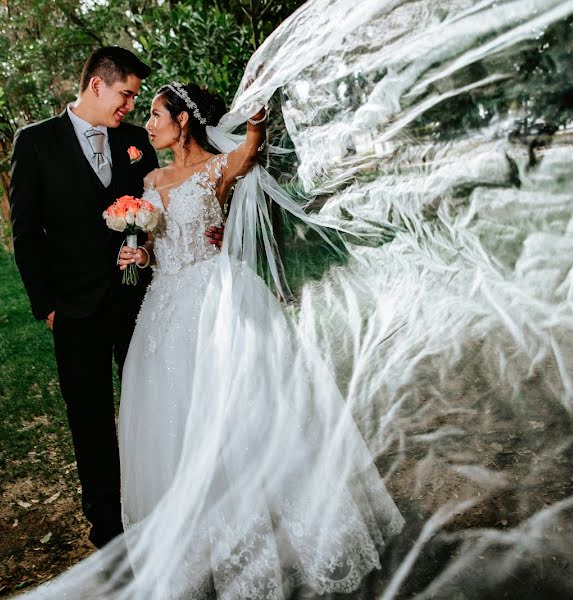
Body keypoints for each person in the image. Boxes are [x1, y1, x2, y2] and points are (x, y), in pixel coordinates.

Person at [112, 82, 404, 597]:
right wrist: (141, 255)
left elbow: (250, 151)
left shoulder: (214, 171)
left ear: (184, 121)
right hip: (164, 309)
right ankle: (193, 545)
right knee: (173, 423)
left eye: (157, 115)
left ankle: (269, 530)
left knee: (240, 413)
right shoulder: (151, 179)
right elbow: (159, 245)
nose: (150, 124)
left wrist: (256, 125)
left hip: (216, 301)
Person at [9, 46, 159, 549]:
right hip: (73, 310)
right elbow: (26, 233)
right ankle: (107, 528)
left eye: (135, 98)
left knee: (149, 407)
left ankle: (155, 504)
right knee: (90, 420)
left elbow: (161, 207)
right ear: (97, 84)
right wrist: (46, 304)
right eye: (126, 94)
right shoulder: (35, 143)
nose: (131, 106)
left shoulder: (137, 142)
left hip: (138, 303)